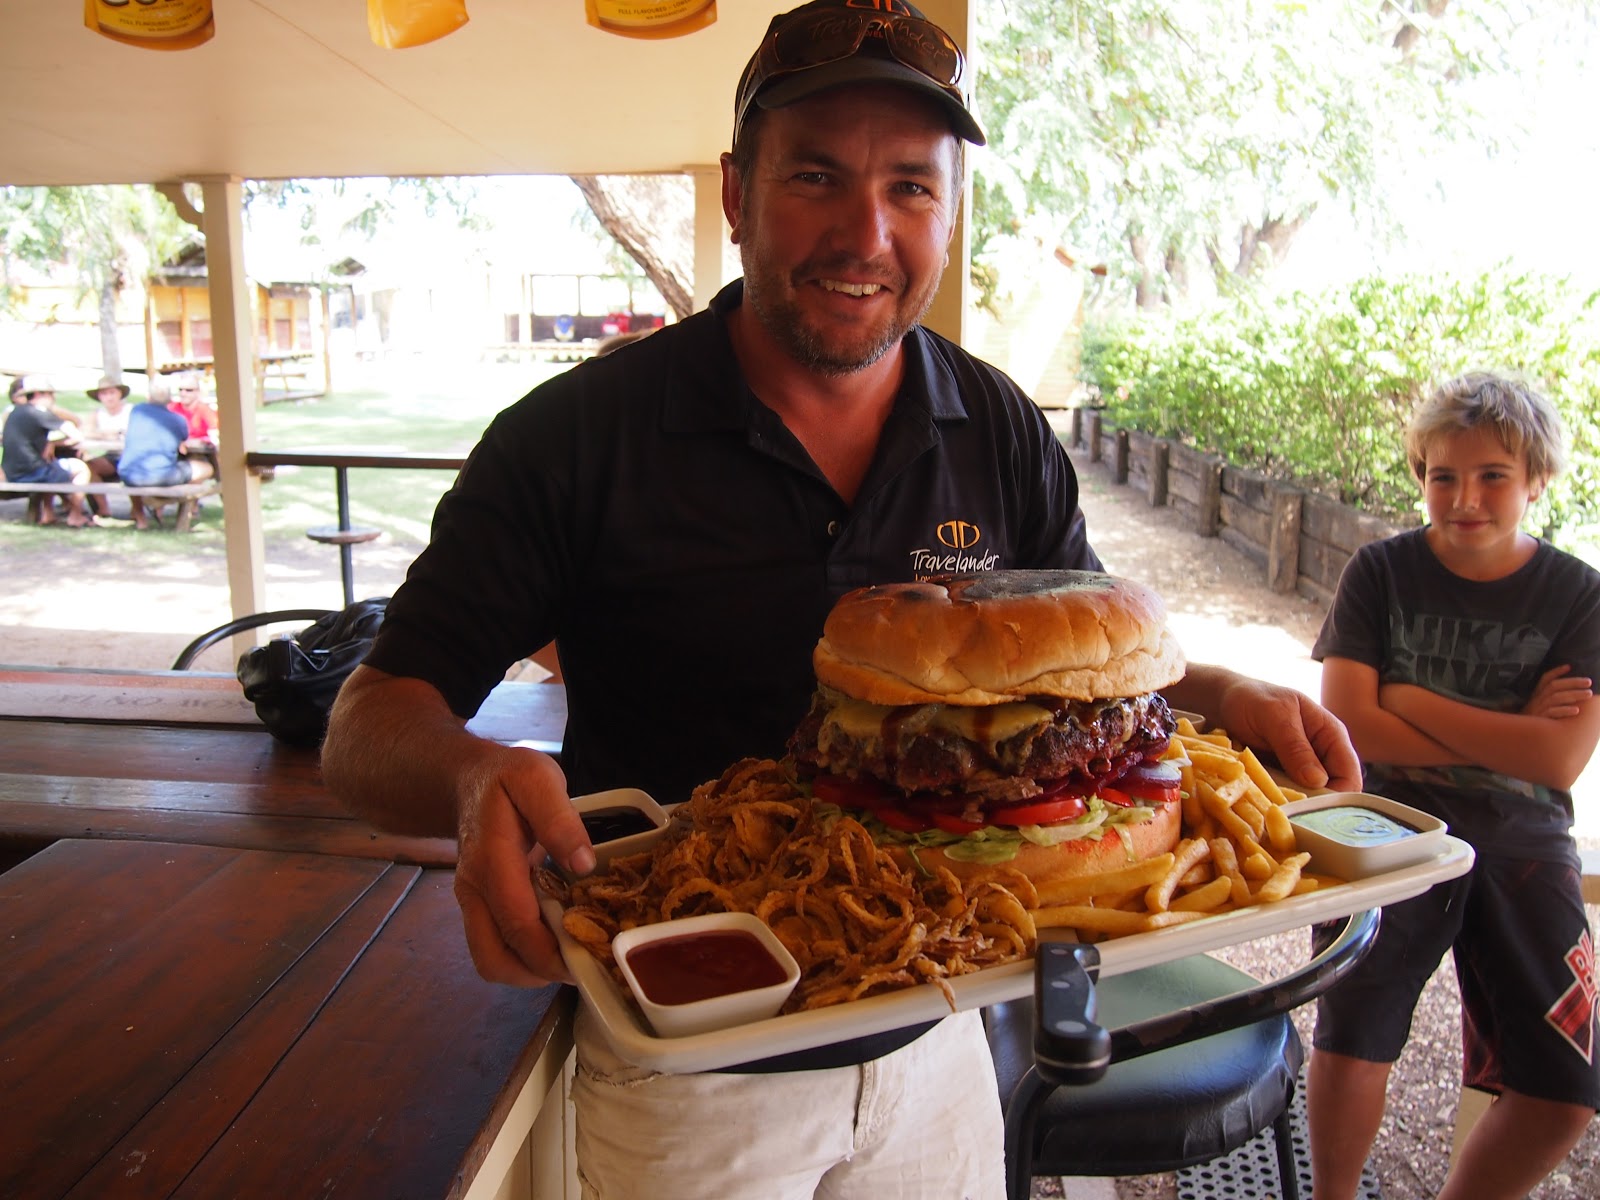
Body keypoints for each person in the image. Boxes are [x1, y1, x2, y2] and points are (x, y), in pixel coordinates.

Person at [321, 4, 1361, 1196]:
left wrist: (1224, 692)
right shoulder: (572, 440)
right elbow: (366, 722)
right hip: (688, 1058)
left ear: (951, 209)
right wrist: (465, 780)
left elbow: (1086, 676)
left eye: (912, 188)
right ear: (736, 192)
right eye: (815, 175)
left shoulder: (1003, 428)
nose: (865, 233)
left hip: (943, 1026)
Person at [1306, 372, 1600, 1200]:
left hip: (1526, 836)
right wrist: (1511, 729)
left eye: (1493, 476)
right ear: (1420, 476)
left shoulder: (1579, 595)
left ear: (1536, 481)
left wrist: (1409, 698)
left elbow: (1559, 762)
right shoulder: (1380, 572)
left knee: (1567, 1086)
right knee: (1354, 1032)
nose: (1464, 497)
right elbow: (1354, 726)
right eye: (1443, 476)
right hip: (1385, 824)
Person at [2, 374, 93, 527]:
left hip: (12, 473)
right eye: (50, 394)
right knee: (81, 468)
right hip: (32, 473)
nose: (53, 398)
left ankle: (48, 513)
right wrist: (56, 443)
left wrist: (51, 443)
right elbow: (76, 435)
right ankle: (76, 514)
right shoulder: (40, 413)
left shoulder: (15, 412)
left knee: (51, 465)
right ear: (39, 394)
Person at [117, 396, 215, 530]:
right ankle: (180, 506)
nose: (184, 393)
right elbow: (184, 440)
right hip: (157, 475)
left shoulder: (137, 411)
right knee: (206, 468)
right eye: (182, 390)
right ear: (169, 399)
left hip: (128, 474)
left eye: (188, 391)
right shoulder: (177, 419)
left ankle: (144, 514)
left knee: (138, 469)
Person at [81, 374, 133, 517]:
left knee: (133, 469)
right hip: (111, 456)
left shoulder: (131, 411)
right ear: (99, 397)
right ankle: (103, 509)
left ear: (120, 393)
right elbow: (85, 431)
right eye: (104, 394)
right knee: (89, 467)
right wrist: (105, 434)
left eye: (112, 393)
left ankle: (137, 509)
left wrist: (120, 433)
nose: (109, 397)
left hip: (132, 456)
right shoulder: (98, 414)